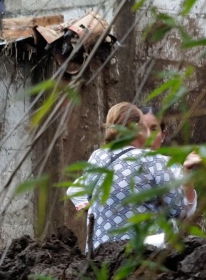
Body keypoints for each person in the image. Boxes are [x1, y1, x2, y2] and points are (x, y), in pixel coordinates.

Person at [66, 102, 198, 251]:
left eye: (154, 129)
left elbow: (79, 191)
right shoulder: (158, 161)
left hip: (100, 253)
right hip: (140, 252)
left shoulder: (97, 157)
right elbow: (178, 211)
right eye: (145, 128)